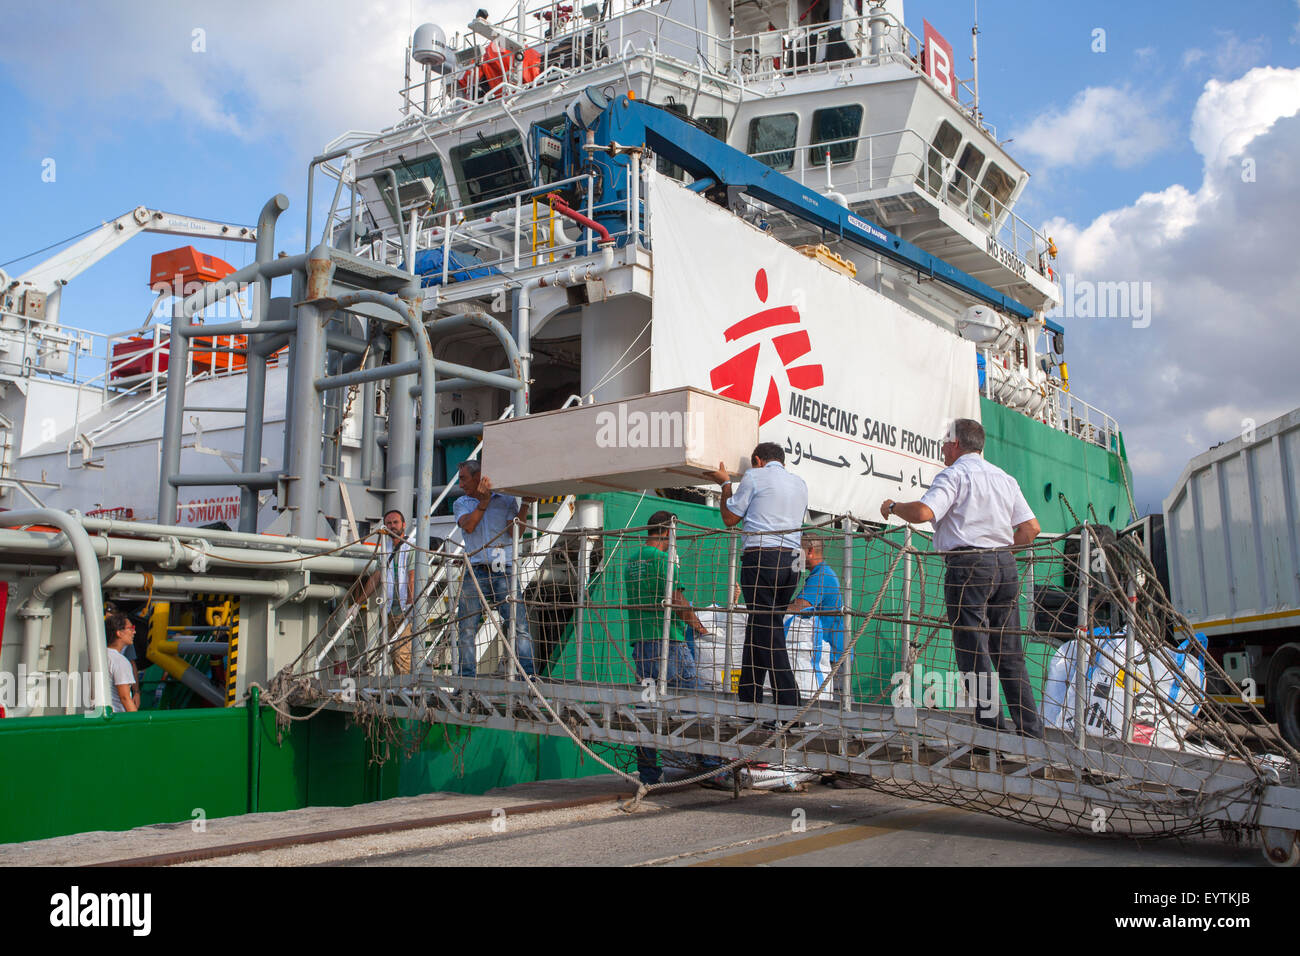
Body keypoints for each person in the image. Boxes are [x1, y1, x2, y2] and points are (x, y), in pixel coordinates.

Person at [880, 418, 1044, 738]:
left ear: (956, 444)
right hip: (1005, 567)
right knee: (1009, 653)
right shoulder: (1004, 478)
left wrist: (894, 506)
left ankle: (991, 733)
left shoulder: (954, 475)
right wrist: (999, 549)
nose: (942, 447)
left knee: (973, 652)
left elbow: (925, 513)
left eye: (945, 441)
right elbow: (1031, 530)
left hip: (968, 566)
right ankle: (1031, 731)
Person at [622, 510, 723, 786]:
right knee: (696, 705)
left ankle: (649, 774)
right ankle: (711, 767)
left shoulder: (631, 562)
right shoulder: (664, 561)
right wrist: (700, 627)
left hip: (641, 646)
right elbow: (677, 601)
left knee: (648, 710)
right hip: (671, 645)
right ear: (667, 531)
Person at [708, 441, 809, 709]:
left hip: (762, 557)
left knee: (766, 626)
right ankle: (749, 699)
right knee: (761, 624)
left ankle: (789, 702)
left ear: (757, 460)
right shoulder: (800, 484)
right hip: (793, 562)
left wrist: (725, 484)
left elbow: (729, 518)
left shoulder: (754, 476)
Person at [453, 460, 535, 677]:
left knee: (518, 626)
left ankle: (529, 677)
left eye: (463, 478)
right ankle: (466, 679)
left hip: (503, 569)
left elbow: (515, 532)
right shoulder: (461, 502)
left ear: (479, 476)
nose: (461, 485)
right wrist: (484, 502)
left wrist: (525, 505)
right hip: (476, 569)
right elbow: (469, 526)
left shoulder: (506, 500)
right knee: (466, 628)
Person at [787, 535, 846, 694]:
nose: (794, 556)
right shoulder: (818, 574)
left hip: (832, 655)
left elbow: (799, 607)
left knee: (838, 707)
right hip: (827, 653)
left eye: (798, 552)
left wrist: (771, 606)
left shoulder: (821, 576)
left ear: (810, 551)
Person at [364, 509, 417, 674]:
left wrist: (410, 603)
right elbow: (377, 576)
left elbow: (412, 576)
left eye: (395, 522)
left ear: (404, 525)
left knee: (402, 652)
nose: (392, 526)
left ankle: (406, 689)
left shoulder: (411, 546)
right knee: (393, 652)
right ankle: (399, 689)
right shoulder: (384, 549)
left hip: (404, 609)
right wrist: (358, 602)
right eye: (388, 523)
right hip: (389, 610)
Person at [104, 613, 139, 713]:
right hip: (115, 718)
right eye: (131, 628)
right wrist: (138, 724)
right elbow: (125, 698)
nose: (134, 632)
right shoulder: (120, 661)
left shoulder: (100, 657)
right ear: (119, 633)